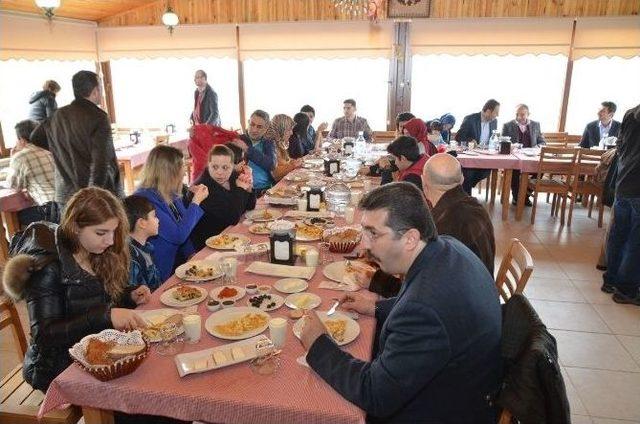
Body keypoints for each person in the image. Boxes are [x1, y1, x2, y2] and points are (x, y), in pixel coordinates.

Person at [299, 182, 502, 423]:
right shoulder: (448, 247)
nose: (364, 244)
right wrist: (375, 307)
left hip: (441, 411)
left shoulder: (424, 311)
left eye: (373, 233)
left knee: (312, 402)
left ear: (410, 238)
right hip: (467, 386)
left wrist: (319, 345)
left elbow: (375, 394)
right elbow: (423, 303)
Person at [1, 187, 150, 392]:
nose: (109, 240)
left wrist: (128, 295)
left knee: (145, 373)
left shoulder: (97, 252)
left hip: (92, 348)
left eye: (113, 231)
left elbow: (94, 299)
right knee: (135, 394)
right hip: (55, 368)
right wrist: (104, 317)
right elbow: (44, 334)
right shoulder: (47, 266)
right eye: (101, 232)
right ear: (76, 227)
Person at [358, 153, 496, 298]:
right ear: (462, 179)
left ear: (423, 182)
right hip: (483, 294)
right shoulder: (476, 209)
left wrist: (375, 283)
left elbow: (421, 292)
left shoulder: (440, 228)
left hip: (459, 307)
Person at [30, 70, 122, 205]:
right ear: (96, 90)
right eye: (101, 88)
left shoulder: (57, 115)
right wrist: (94, 195)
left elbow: (35, 137)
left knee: (71, 226)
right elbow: (101, 162)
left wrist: (60, 149)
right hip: (94, 194)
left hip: (67, 193)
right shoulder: (98, 117)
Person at [134, 145, 209, 281]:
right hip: (161, 268)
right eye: (182, 169)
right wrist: (196, 202)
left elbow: (183, 224)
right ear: (169, 173)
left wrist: (191, 254)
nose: (184, 174)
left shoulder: (169, 192)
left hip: (179, 260)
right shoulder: (145, 199)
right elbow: (178, 235)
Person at [603, 104, 640, 306]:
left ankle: (611, 280)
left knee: (618, 235)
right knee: (635, 242)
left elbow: (620, 145)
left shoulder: (630, 113)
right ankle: (626, 289)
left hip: (623, 182)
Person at [190, 145, 256, 250]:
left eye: (225, 167)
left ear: (232, 166)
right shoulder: (202, 187)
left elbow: (250, 206)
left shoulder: (233, 176)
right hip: (210, 245)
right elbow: (233, 218)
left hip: (232, 237)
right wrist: (240, 189)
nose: (220, 172)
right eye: (215, 167)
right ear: (208, 165)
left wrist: (249, 188)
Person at [6, 120, 58, 225]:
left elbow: (13, 185)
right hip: (67, 204)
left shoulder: (20, 157)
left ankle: (20, 240)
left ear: (21, 140)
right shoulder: (48, 152)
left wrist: (13, 158)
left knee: (14, 217)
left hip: (51, 210)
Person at [502, 104, 546, 205]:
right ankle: (517, 197)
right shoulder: (507, 125)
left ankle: (525, 195)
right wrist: (512, 145)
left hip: (531, 156)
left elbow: (542, 142)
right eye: (517, 114)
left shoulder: (536, 125)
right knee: (515, 170)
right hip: (515, 157)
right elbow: (503, 142)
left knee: (540, 169)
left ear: (528, 114)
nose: (519, 117)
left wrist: (537, 148)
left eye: (522, 114)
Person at [456, 99, 500, 195]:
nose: (498, 115)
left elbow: (494, 138)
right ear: (488, 111)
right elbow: (459, 137)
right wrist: (470, 140)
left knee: (486, 170)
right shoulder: (470, 119)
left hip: (486, 155)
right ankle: (466, 197)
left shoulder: (494, 122)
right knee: (468, 172)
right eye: (496, 113)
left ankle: (464, 189)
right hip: (471, 155)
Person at [123, 195, 162, 292]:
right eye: (154, 216)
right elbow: (137, 295)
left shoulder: (146, 247)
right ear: (142, 223)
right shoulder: (131, 257)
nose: (158, 220)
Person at [234, 110, 276, 195]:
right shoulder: (238, 140)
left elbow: (271, 164)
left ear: (266, 128)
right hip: (242, 190)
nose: (254, 129)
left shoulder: (268, 143)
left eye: (259, 127)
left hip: (264, 190)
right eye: (252, 124)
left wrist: (247, 149)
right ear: (248, 122)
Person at [267, 114, 302, 182]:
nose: (291, 133)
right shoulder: (269, 145)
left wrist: (293, 161)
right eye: (289, 130)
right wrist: (292, 165)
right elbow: (275, 175)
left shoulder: (279, 143)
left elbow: (284, 161)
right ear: (280, 130)